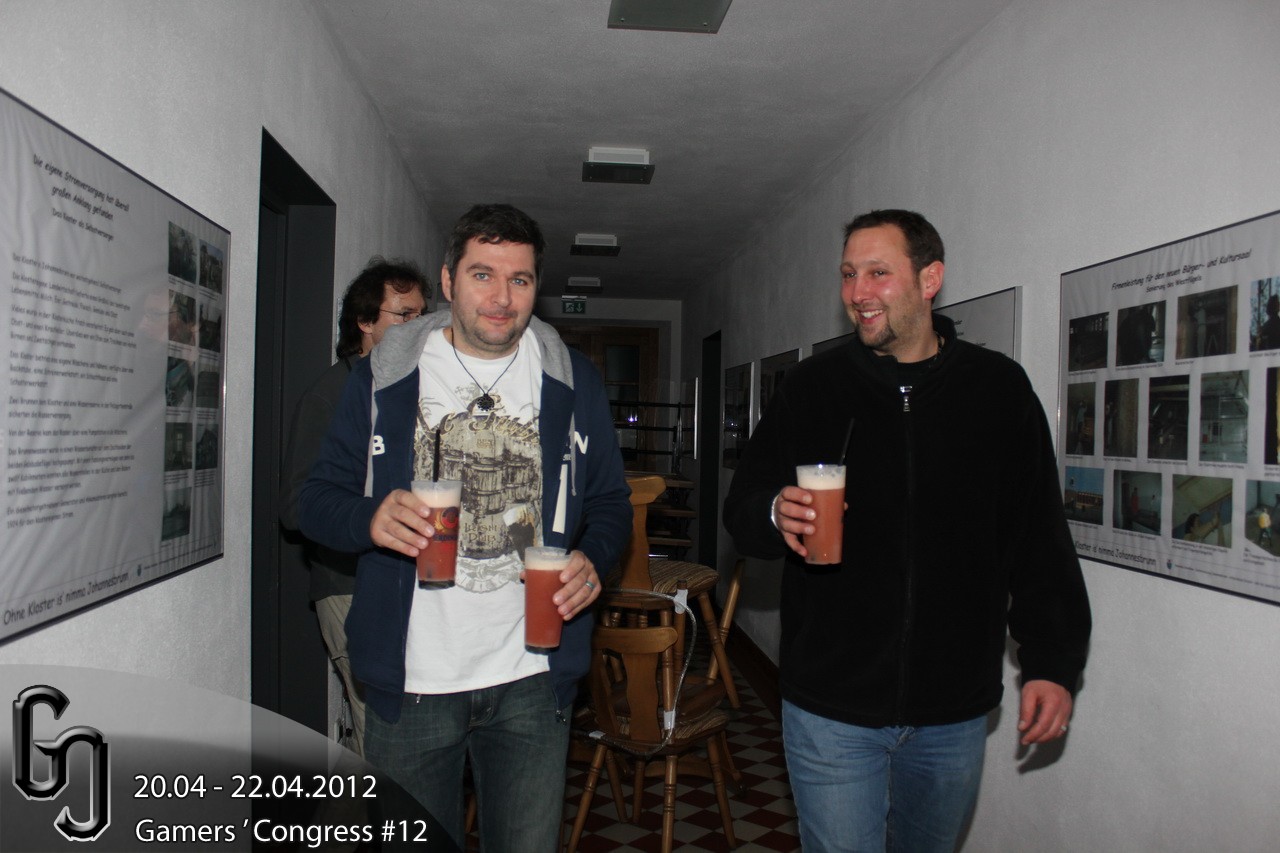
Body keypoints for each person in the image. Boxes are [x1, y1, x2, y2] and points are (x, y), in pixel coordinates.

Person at [723, 209, 1092, 853]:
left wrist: (1052, 662)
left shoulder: (998, 390)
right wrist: (773, 513)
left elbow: (1038, 537)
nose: (857, 292)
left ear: (930, 279)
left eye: (877, 273)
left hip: (953, 709)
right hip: (830, 704)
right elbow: (742, 513)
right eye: (848, 274)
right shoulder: (812, 388)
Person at [298, 203, 631, 850]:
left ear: (537, 286)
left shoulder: (572, 380)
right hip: (412, 683)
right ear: (449, 280)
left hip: (533, 677)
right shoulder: (382, 378)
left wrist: (594, 556)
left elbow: (611, 502)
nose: (502, 297)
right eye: (483, 275)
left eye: (520, 279)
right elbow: (314, 502)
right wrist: (369, 516)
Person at [279, 256, 429, 757]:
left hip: (402, 581)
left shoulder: (408, 388)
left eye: (422, 314)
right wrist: (372, 515)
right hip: (348, 586)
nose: (419, 325)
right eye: (404, 315)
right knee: (381, 734)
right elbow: (296, 506)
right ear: (365, 321)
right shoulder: (332, 394)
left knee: (413, 732)